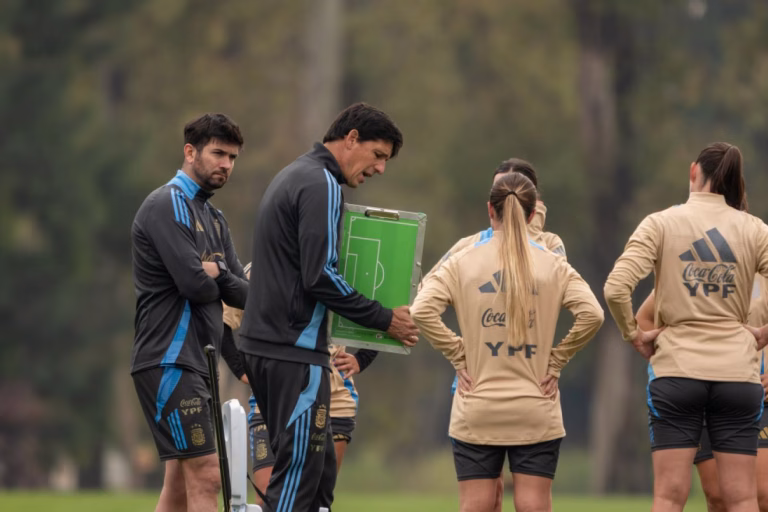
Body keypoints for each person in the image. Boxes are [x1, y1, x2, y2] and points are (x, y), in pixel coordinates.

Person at [238, 102, 419, 512]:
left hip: (272, 348)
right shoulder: (321, 182)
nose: (380, 169)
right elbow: (319, 276)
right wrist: (385, 318)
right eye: (378, 156)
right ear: (351, 138)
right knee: (298, 483)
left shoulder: (296, 173)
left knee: (317, 482)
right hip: (292, 352)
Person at [411, 172, 604, 512]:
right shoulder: (553, 263)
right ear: (533, 215)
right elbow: (593, 314)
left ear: (490, 210)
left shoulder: (462, 260)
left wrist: (459, 354)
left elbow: (421, 309)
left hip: (477, 406)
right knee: (533, 505)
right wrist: (557, 361)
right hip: (536, 406)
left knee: (476, 506)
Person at [604, 142, 768, 512]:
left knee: (668, 496)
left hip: (677, 373)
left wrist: (634, 334)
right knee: (743, 498)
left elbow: (615, 288)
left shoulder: (661, 222)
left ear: (694, 172)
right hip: (737, 376)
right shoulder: (755, 229)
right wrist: (761, 335)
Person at [130, 113, 249, 512]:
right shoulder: (167, 204)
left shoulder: (215, 219)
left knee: (180, 483)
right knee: (208, 472)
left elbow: (245, 294)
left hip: (197, 361)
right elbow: (194, 285)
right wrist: (216, 277)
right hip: (169, 358)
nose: (226, 165)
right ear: (190, 152)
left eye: (232, 158)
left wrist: (216, 274)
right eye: (218, 154)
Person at [220, 264, 377, 506]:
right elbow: (224, 323)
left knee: (316, 499)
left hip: (333, 400)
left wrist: (362, 358)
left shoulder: (343, 267)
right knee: (266, 494)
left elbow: (387, 307)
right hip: (270, 399)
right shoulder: (259, 266)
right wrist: (241, 370)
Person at [636, 275, 768, 512]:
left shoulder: (758, 263)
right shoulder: (694, 269)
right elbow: (644, 319)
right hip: (696, 388)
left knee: (761, 495)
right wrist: (670, 359)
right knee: (717, 497)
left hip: (749, 389)